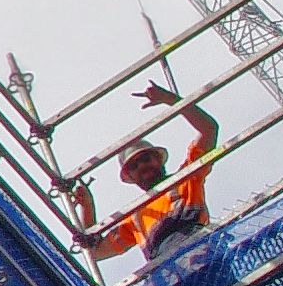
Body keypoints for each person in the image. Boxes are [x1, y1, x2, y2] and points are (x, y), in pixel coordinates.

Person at [67, 81, 220, 266]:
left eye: (146, 158)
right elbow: (94, 252)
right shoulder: (135, 217)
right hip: (170, 273)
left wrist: (170, 99)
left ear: (158, 160)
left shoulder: (186, 179)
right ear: (130, 176)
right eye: (134, 165)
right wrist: (87, 207)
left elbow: (209, 129)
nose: (142, 166)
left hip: (204, 257)